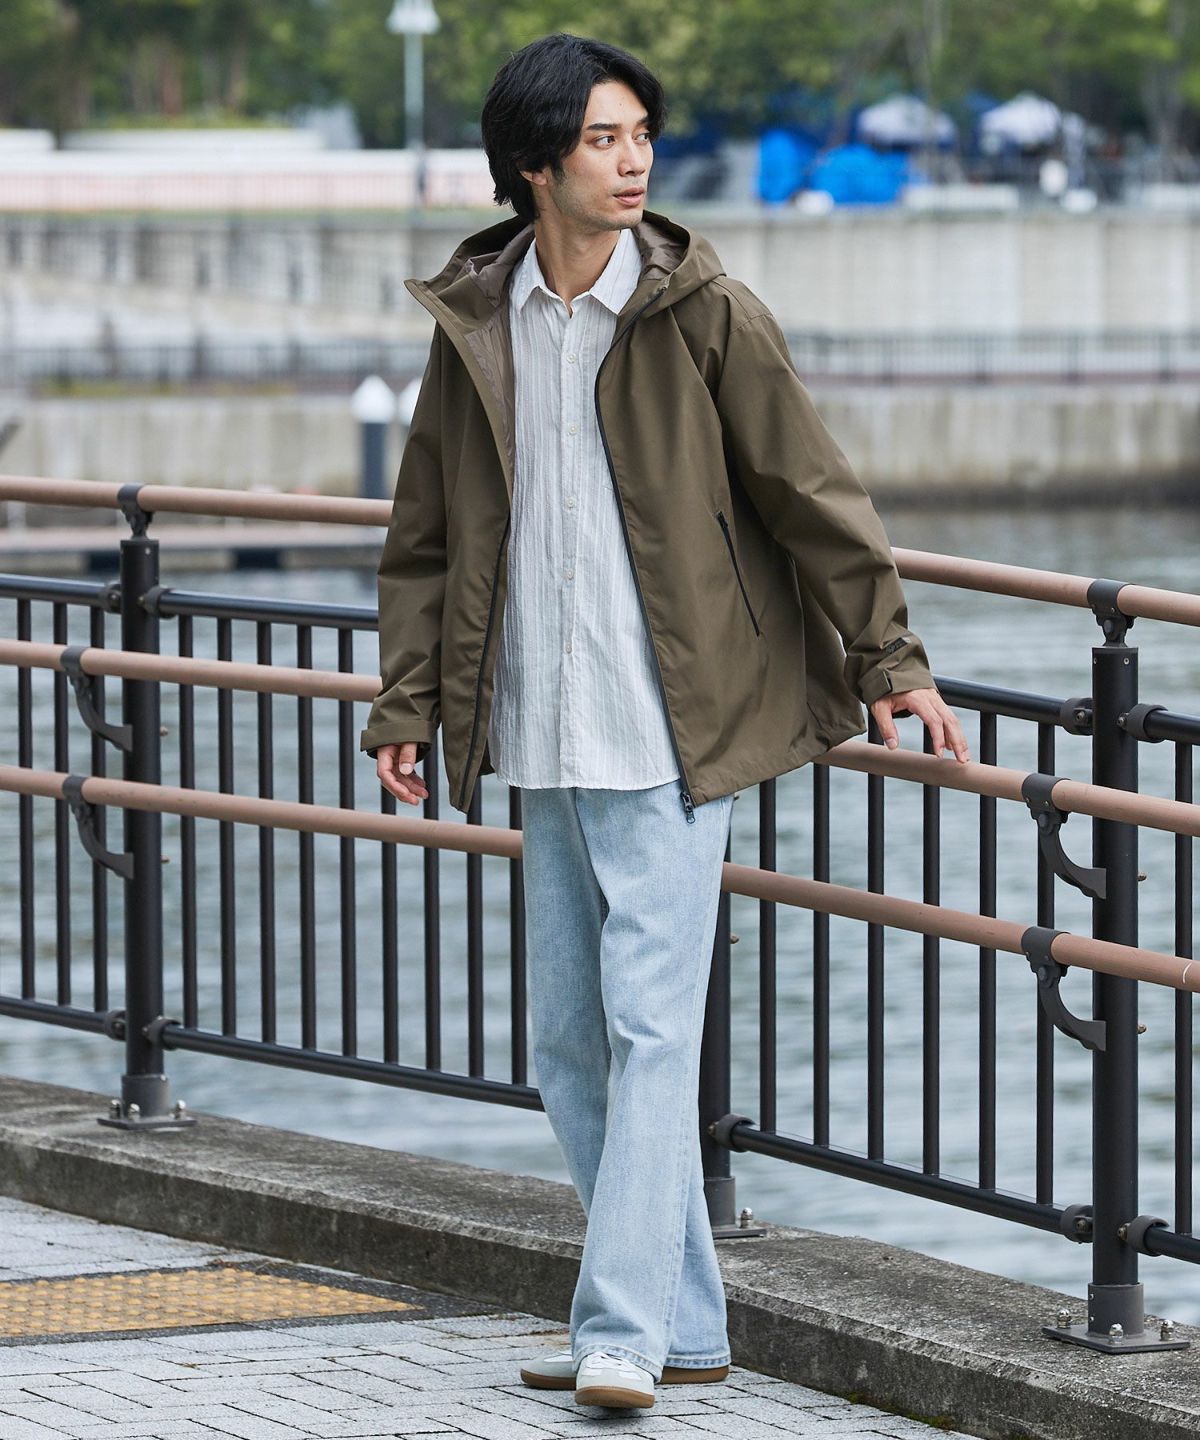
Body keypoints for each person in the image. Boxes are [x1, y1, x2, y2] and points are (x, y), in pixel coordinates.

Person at [361, 31, 970, 1414]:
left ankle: (620, 1331)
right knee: (569, 1045)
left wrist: (892, 660)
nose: (632, 161)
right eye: (603, 139)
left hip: (674, 729)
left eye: (641, 135)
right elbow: (425, 532)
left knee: (649, 1028)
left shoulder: (705, 314)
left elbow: (814, 494)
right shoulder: (480, 325)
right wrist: (409, 699)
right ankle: (686, 1325)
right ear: (536, 165)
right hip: (537, 722)